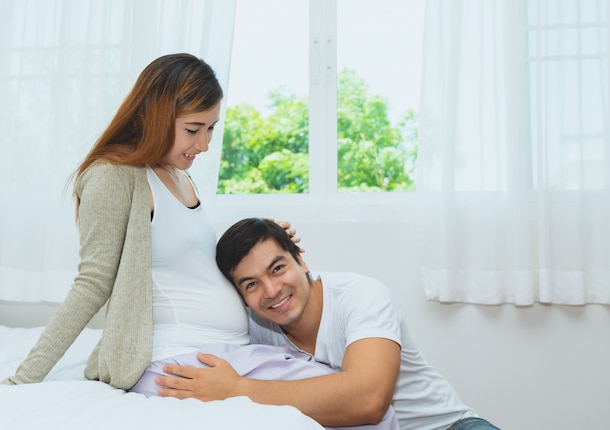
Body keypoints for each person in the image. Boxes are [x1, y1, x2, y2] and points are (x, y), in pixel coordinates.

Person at [0, 54, 399, 430]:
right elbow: (92, 282)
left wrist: (270, 242)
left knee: (361, 404)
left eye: (211, 129)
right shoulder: (114, 176)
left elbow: (195, 266)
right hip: (180, 355)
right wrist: (24, 378)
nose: (204, 144)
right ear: (156, 115)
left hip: (226, 350)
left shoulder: (179, 176)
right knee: (370, 414)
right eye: (194, 129)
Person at [155, 217, 501, 430]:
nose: (272, 291)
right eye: (251, 284)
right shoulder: (254, 324)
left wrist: (238, 390)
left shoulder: (361, 296)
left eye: (278, 268)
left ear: (301, 259)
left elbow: (368, 400)